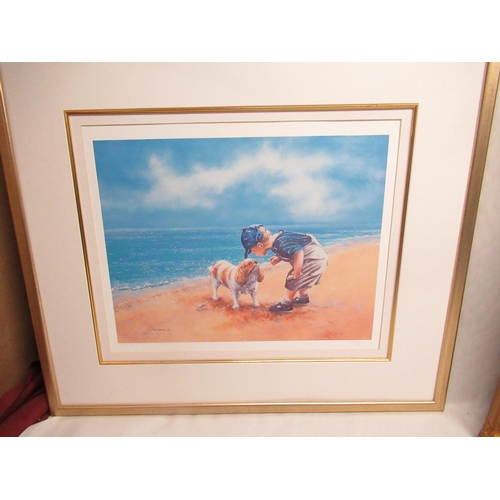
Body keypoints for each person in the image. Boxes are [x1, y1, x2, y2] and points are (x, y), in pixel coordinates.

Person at [241, 224, 328, 312]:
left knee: (293, 279)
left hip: (313, 259)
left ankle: (286, 304)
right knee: (301, 280)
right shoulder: (278, 240)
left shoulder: (281, 244)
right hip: (316, 257)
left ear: (260, 245)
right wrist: (279, 258)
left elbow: (298, 252)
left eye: (252, 250)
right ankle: (303, 298)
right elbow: (290, 250)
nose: (253, 253)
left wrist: (297, 271)